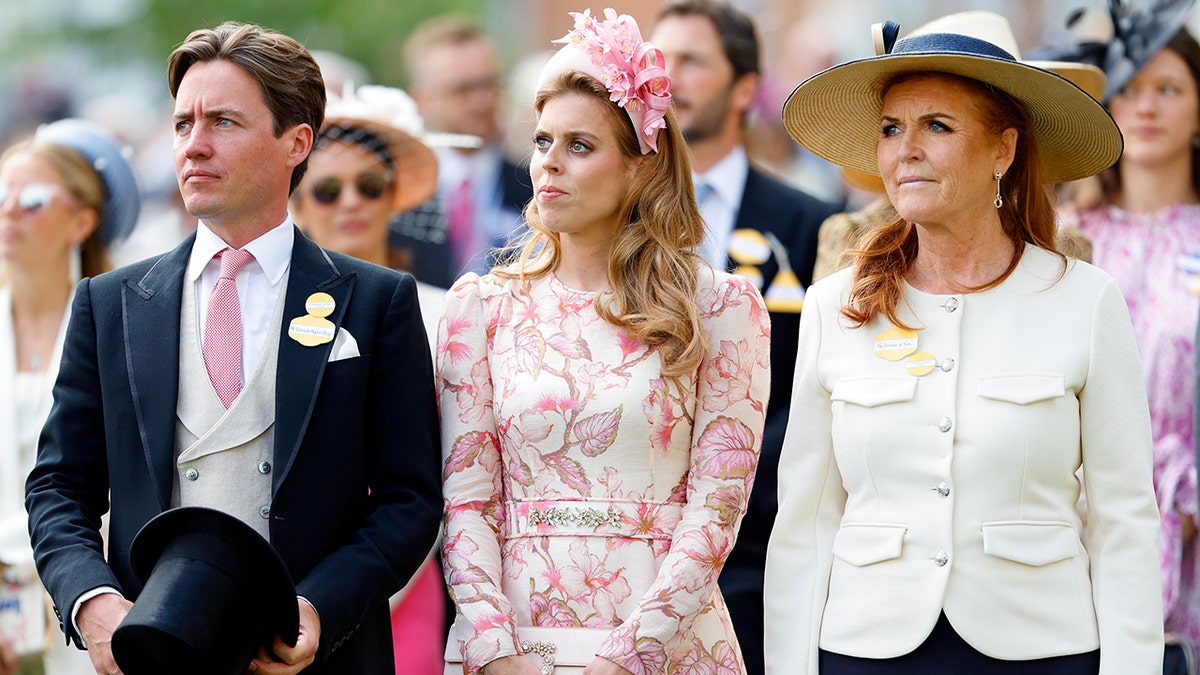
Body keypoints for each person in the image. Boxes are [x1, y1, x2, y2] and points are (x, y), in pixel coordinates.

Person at [24, 21, 442, 675]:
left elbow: (409, 497)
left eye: (222, 122)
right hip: (151, 655)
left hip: (317, 661)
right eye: (183, 123)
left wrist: (317, 607)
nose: (193, 145)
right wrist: (93, 600)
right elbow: (58, 485)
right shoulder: (109, 304)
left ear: (295, 142)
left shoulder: (377, 300)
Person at [763, 11, 1163, 674]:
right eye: (891, 128)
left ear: (1003, 149)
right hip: (865, 649)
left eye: (937, 127)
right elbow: (804, 524)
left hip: (1043, 648)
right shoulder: (835, 306)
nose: (904, 150)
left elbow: (1124, 522)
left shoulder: (1085, 300)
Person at [438, 8, 770, 674]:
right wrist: (496, 651)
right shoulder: (480, 307)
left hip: (666, 646)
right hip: (512, 647)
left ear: (641, 168)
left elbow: (717, 509)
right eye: (540, 141)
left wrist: (628, 659)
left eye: (579, 146)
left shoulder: (722, 307)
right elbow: (467, 500)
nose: (549, 164)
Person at [646, 5, 837, 670]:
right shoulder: (609, 219)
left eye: (692, 61)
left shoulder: (812, 225)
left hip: (758, 548)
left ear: (746, 89)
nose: (667, 80)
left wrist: (731, 486)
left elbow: (820, 381)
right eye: (658, 61)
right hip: (631, 545)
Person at [1053, 7, 1200, 671]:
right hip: (1068, 536)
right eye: (1129, 89)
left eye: (1168, 89)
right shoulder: (1062, 238)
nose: (1145, 107)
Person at [289, 82, 448, 674]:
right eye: (328, 190)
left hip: (410, 565)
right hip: (298, 579)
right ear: (298, 204)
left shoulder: (447, 311)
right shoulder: (273, 320)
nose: (351, 202)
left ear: (393, 197)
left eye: (370, 185)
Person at [0, 119, 139, 675]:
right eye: (0, 194)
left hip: (91, 603)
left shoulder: (122, 331)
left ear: (83, 220)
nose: (9, 211)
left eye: (32, 198)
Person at [391, 15, 532, 288]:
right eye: (463, 90)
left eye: (489, 84)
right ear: (422, 100)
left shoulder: (534, 185)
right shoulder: (396, 194)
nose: (482, 100)